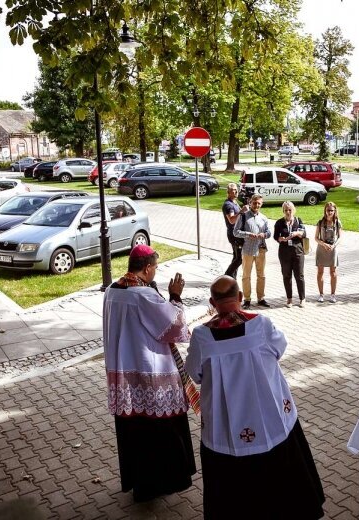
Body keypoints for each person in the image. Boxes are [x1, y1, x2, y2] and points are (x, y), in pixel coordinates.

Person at [185, 276, 325, 519]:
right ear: (240, 298)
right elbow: (279, 349)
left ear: (212, 303)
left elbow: (194, 374)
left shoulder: (201, 337)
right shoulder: (261, 325)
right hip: (269, 417)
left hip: (225, 425)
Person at [102, 244, 197, 502]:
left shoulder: (112, 290)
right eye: (155, 267)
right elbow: (175, 326)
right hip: (150, 373)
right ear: (146, 268)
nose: (155, 271)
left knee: (134, 432)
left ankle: (139, 484)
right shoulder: (143, 295)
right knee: (158, 432)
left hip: (122, 372)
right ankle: (160, 484)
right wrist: (175, 297)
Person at [233, 194, 272, 309]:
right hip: (248, 249)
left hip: (261, 249)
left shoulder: (264, 218)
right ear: (250, 203)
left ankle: (261, 298)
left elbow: (269, 232)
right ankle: (247, 299)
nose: (256, 205)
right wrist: (248, 234)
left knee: (261, 275)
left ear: (261, 204)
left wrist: (264, 234)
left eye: (259, 203)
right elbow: (236, 232)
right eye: (254, 203)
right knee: (246, 276)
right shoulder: (243, 216)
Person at [273, 201, 307, 308]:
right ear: (283, 211)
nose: (288, 212)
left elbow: (304, 233)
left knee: (299, 275)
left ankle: (302, 298)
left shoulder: (298, 220)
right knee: (286, 275)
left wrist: (297, 233)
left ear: (293, 210)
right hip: (284, 251)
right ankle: (289, 299)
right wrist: (281, 239)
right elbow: (275, 236)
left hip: (297, 251)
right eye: (286, 210)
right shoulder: (279, 222)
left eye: (290, 210)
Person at [315, 202, 342, 303]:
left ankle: (332, 295)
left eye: (331, 210)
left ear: (335, 211)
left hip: (333, 249)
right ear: (325, 211)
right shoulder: (320, 222)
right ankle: (321, 294)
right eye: (328, 210)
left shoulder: (337, 222)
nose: (329, 212)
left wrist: (334, 245)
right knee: (320, 272)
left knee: (333, 272)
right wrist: (324, 244)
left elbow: (340, 237)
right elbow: (316, 238)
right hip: (322, 249)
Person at [222, 183, 247, 278]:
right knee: (239, 258)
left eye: (236, 190)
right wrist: (241, 211)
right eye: (233, 190)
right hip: (234, 235)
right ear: (228, 192)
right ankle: (227, 275)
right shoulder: (228, 205)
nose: (236, 192)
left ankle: (232, 278)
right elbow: (232, 220)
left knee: (236, 257)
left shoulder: (234, 202)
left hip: (237, 234)